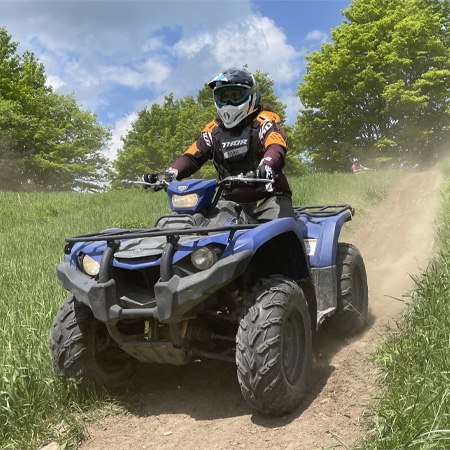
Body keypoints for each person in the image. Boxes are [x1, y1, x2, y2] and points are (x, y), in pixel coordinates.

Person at [144, 67, 295, 223]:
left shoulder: (265, 122)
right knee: (202, 230)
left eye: (235, 96)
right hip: (230, 202)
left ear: (252, 95)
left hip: (269, 198)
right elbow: (192, 157)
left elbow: (276, 147)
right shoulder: (213, 130)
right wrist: (170, 173)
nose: (229, 103)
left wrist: (267, 166)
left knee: (278, 232)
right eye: (223, 97)